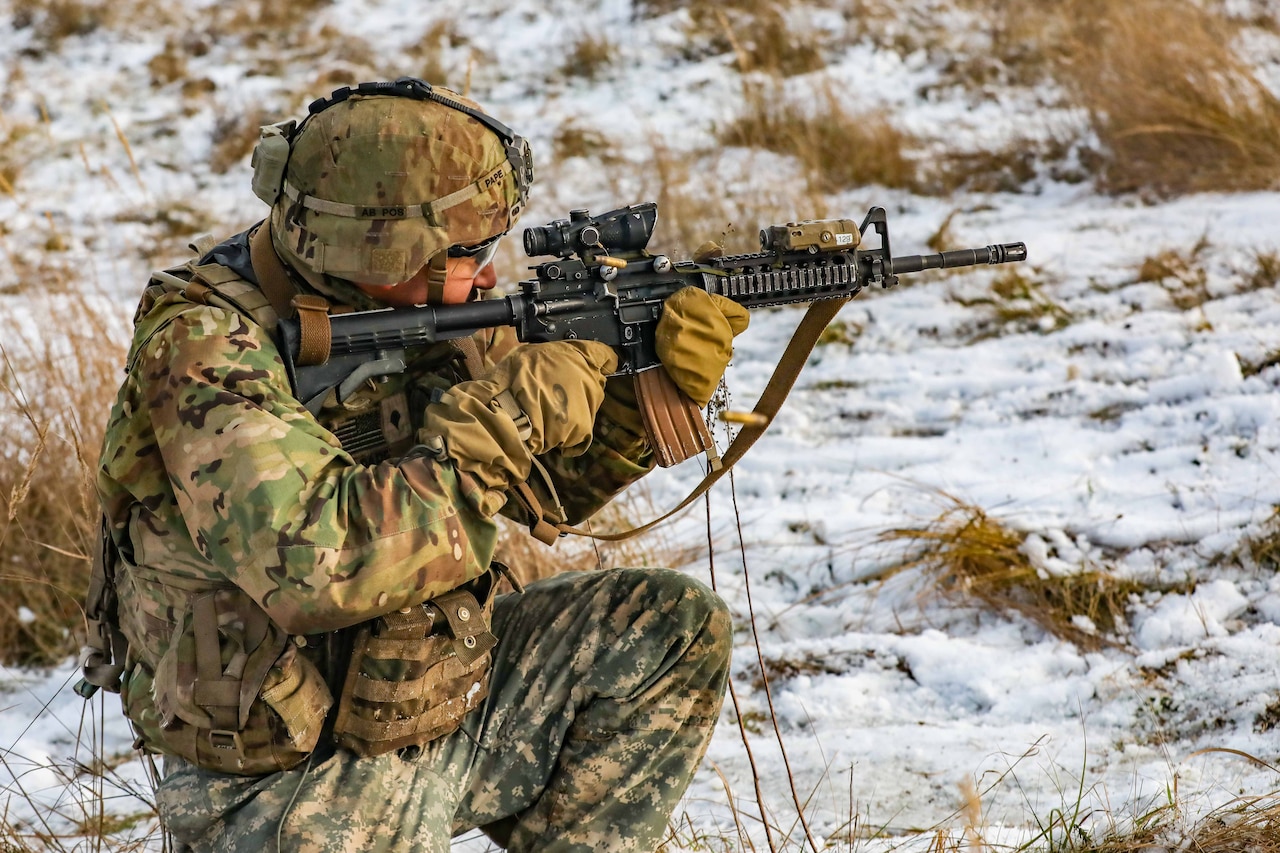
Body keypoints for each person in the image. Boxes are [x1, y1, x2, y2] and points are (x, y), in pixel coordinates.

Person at [84, 78, 750, 851]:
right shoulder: (203, 348)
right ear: (382, 246)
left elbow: (543, 491)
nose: (491, 274)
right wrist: (510, 409)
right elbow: (320, 564)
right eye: (468, 252)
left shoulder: (417, 306)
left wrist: (645, 397)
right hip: (276, 781)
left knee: (668, 627)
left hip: (424, 696)